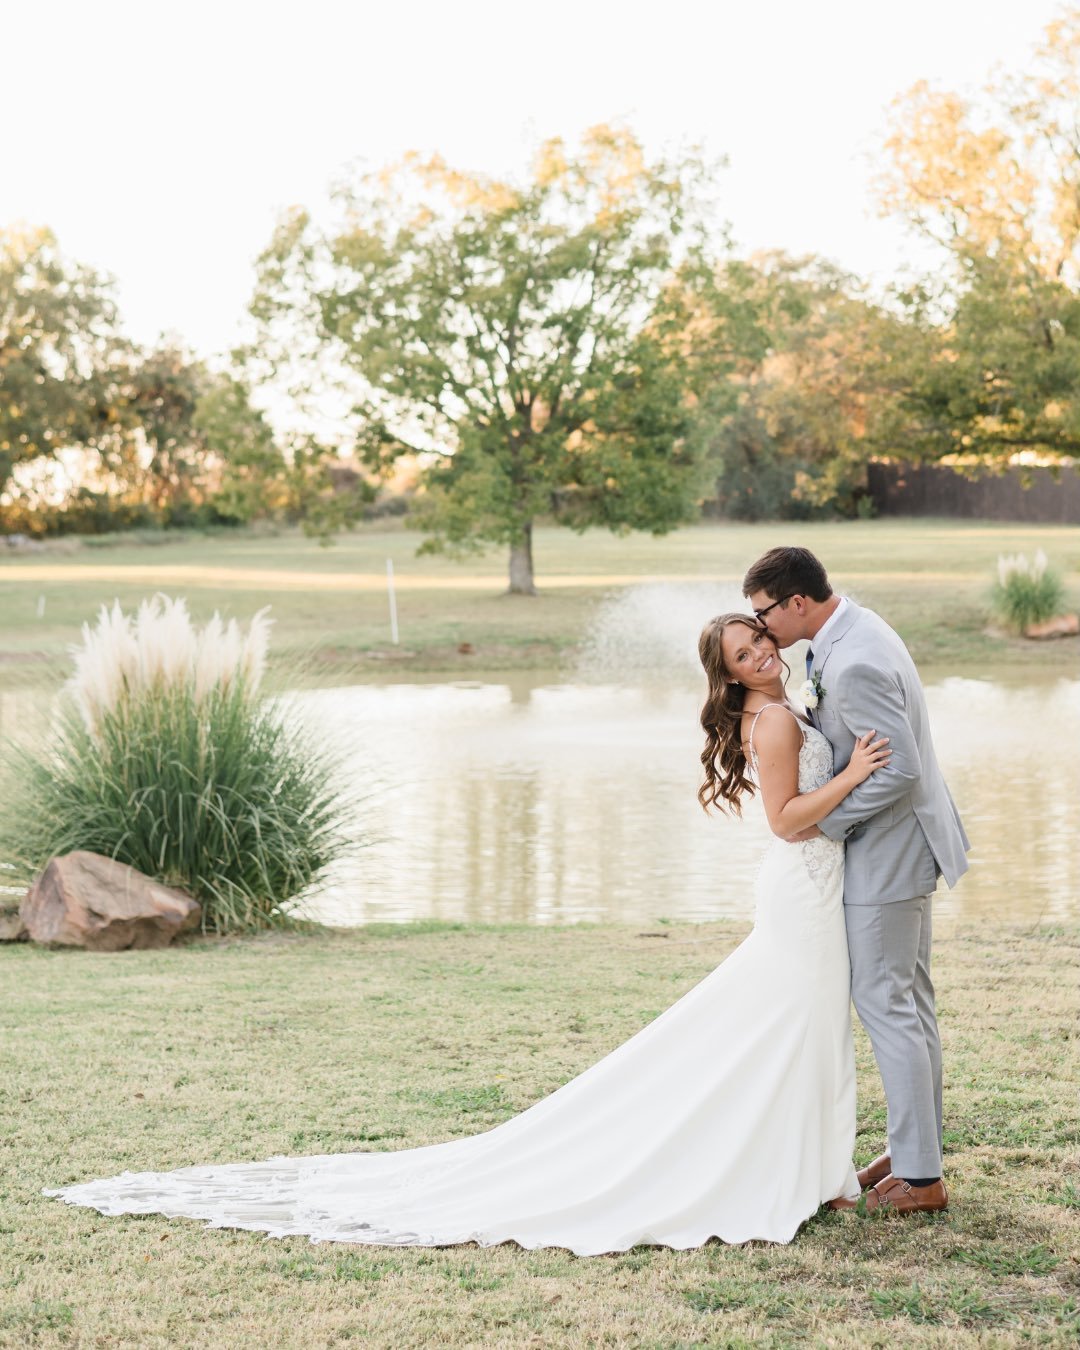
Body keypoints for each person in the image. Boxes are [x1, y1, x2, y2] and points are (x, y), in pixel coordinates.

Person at [45, 615, 889, 1254]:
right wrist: (851, 772)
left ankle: (818, 1172)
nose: (762, 655)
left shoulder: (784, 702)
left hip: (809, 896)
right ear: (729, 674)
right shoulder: (772, 722)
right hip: (800, 888)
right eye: (745, 655)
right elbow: (785, 822)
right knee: (798, 1029)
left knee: (800, 1030)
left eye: (760, 642)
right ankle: (809, 1176)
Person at [742, 546, 970, 1215]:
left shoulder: (857, 656)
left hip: (888, 855)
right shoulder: (849, 632)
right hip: (900, 847)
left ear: (797, 604)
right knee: (909, 1002)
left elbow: (896, 768)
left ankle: (922, 1178)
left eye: (764, 613)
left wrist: (829, 824)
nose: (760, 628)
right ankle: (911, 1148)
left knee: (885, 1003)